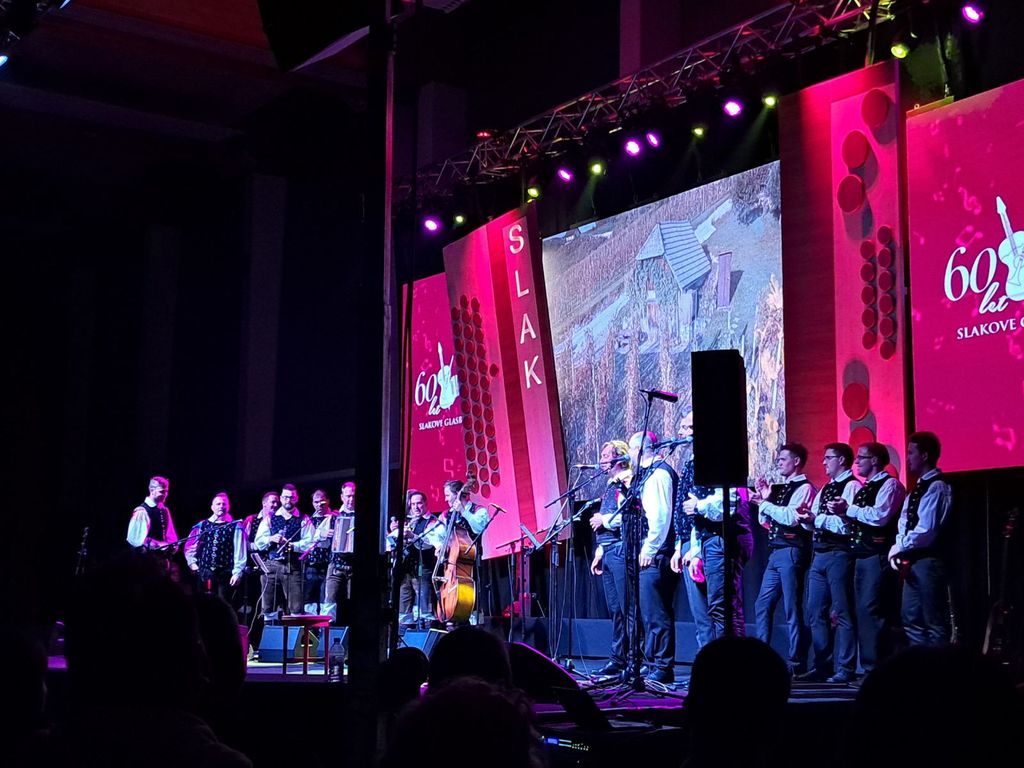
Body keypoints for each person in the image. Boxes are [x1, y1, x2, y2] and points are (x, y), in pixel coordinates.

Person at [830, 442, 906, 676]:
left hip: (877, 555)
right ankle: (868, 666)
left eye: (861, 458)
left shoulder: (890, 484)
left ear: (874, 461)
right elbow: (859, 518)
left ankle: (876, 668)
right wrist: (842, 512)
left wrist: (848, 510)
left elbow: (880, 516)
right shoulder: (865, 487)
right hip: (861, 555)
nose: (856, 462)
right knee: (863, 611)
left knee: (872, 610)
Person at [799, 443, 861, 683]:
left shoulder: (852, 486)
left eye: (828, 458)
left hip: (839, 553)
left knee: (842, 610)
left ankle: (845, 667)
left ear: (842, 460)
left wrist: (818, 519)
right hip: (820, 553)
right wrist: (807, 518)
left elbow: (846, 525)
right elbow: (815, 519)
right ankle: (822, 665)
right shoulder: (826, 487)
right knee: (815, 610)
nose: (824, 462)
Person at [753, 443, 816, 675]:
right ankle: (761, 656)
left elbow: (791, 518)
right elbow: (766, 522)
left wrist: (766, 504)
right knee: (762, 604)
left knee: (791, 607)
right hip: (776, 552)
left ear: (796, 461)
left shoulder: (805, 488)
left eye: (783, 459)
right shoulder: (784, 489)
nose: (778, 462)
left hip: (791, 550)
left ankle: (796, 662)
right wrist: (765, 499)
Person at [888, 431, 953, 647]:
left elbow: (926, 529)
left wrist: (900, 546)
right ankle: (921, 661)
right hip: (913, 560)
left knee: (933, 619)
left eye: (911, 453)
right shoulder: (918, 487)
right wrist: (899, 544)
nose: (907, 458)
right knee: (910, 617)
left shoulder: (937, 486)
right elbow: (904, 520)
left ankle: (938, 663)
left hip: (929, 560)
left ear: (924, 456)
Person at [624, 431, 678, 684]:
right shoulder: (647, 474)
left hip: (656, 554)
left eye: (630, 450)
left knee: (657, 613)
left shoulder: (658, 474)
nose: (628, 455)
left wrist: (649, 549)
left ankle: (663, 666)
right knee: (647, 612)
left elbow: (660, 516)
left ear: (639, 450)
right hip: (648, 551)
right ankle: (651, 662)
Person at [588, 439, 632, 676]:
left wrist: (603, 520)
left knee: (626, 608)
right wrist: (599, 552)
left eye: (606, 456)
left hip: (620, 550)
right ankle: (618, 658)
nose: (602, 460)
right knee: (615, 608)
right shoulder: (610, 485)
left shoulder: (626, 481)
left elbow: (625, 516)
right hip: (608, 550)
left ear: (619, 459)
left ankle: (632, 658)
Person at [254, 484, 314, 617]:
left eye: (292, 497)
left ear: (296, 499)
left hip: (293, 566)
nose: (288, 500)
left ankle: (294, 630)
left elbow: (310, 542)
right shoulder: (270, 517)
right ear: (281, 498)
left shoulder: (304, 518)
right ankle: (270, 629)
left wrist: (292, 545)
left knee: (296, 608)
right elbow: (259, 542)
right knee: (268, 607)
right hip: (271, 565)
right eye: (286, 497)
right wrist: (271, 538)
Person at [184, 493, 246, 604]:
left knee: (223, 605)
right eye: (218, 504)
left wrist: (237, 572)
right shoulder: (202, 525)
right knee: (204, 604)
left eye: (224, 504)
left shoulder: (235, 526)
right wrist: (192, 564)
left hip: (225, 573)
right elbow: (190, 545)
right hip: (205, 572)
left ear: (228, 507)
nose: (221, 506)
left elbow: (240, 551)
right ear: (212, 507)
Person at [393, 489, 442, 627]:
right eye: (413, 504)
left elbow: (429, 544)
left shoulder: (433, 522)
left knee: (425, 607)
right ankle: (404, 635)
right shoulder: (408, 521)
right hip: (406, 569)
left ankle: (426, 634)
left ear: (425, 503)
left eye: (419, 503)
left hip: (423, 567)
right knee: (404, 608)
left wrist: (412, 536)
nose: (416, 507)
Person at [126, 476, 180, 572]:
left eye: (166, 491)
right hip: (145, 564)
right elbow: (135, 541)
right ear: (152, 490)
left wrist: (172, 546)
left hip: (161, 563)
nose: (165, 495)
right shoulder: (142, 511)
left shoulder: (164, 510)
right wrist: (159, 544)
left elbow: (170, 534)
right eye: (162, 491)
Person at [325, 482, 357, 623]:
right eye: (348, 496)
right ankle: (328, 631)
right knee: (330, 599)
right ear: (342, 497)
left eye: (354, 496)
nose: (351, 499)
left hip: (355, 565)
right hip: (336, 565)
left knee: (353, 602)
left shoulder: (363, 516)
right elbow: (317, 538)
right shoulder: (333, 516)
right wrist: (325, 534)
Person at [303, 489, 337, 614]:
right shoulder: (308, 519)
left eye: (322, 502)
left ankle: (326, 623)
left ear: (327, 501)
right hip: (311, 563)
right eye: (316, 502)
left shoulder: (335, 517)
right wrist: (320, 534)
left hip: (328, 563)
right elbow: (306, 539)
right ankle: (310, 624)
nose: (319, 505)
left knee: (326, 596)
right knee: (309, 596)